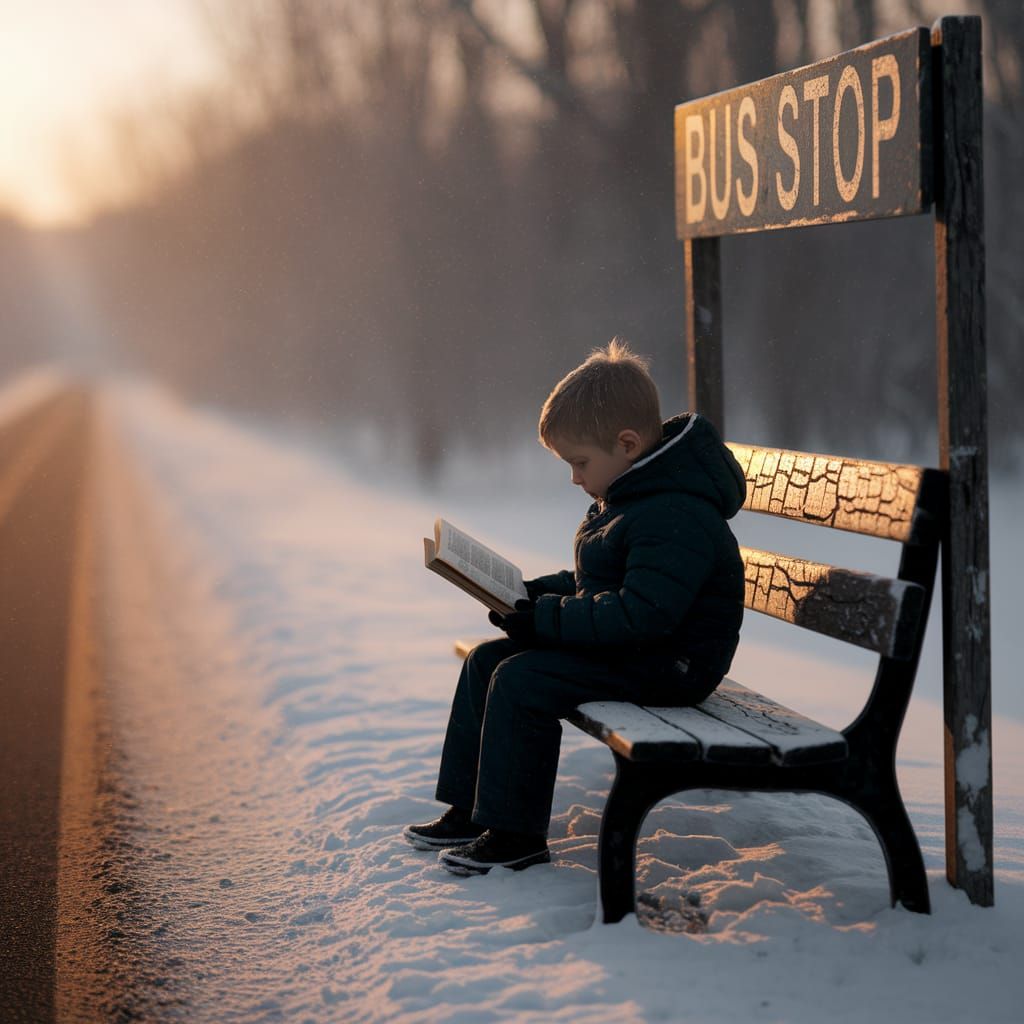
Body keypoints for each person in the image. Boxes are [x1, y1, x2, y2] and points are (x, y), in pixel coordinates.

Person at [404, 339, 746, 875]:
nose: (575, 477)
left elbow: (642, 613)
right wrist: (534, 593)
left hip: (670, 664)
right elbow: (600, 582)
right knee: (486, 662)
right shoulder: (633, 496)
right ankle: (471, 810)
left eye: (580, 462)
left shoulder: (675, 513)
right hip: (638, 650)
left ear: (627, 444)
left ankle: (516, 835)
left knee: (523, 680)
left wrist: (545, 621)